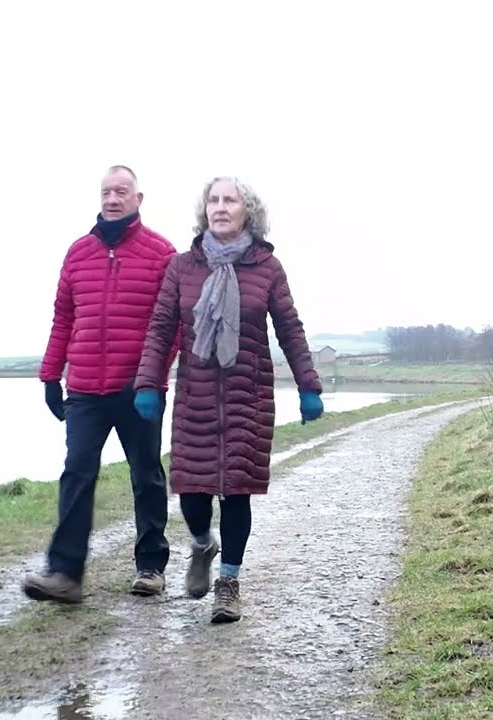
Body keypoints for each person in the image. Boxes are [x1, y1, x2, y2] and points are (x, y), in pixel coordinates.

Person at [132, 176, 323, 623]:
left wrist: (308, 385)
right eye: (213, 200)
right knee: (193, 495)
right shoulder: (182, 267)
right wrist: (147, 383)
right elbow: (162, 329)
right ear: (205, 211)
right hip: (195, 395)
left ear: (247, 211)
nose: (220, 207)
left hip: (249, 396)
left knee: (237, 494)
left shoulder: (267, 268)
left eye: (230, 200)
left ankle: (229, 583)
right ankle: (202, 544)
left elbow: (289, 328)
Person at [23, 165, 179, 604]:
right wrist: (51, 376)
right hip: (86, 388)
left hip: (139, 390)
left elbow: (175, 326)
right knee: (77, 473)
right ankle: (65, 574)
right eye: (107, 192)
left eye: (122, 191)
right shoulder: (77, 254)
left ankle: (151, 567)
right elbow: (63, 319)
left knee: (146, 474)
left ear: (138, 199)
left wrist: (153, 379)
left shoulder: (162, 253)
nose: (113, 199)